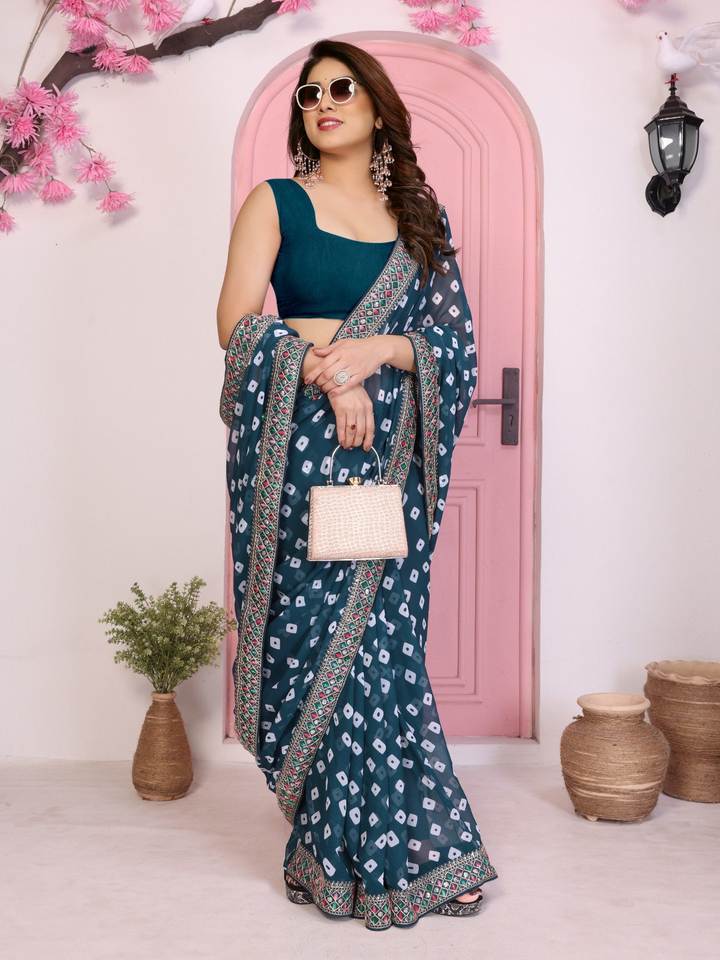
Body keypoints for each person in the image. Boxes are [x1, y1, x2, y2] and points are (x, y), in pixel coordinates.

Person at [216, 38, 498, 931]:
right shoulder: (277, 201)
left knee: (380, 649)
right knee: (314, 644)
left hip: (386, 459)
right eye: (309, 94)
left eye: (342, 89)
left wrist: (380, 349)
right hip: (297, 453)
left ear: (376, 108)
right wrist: (327, 374)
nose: (325, 103)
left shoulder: (418, 220)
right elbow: (235, 325)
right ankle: (328, 849)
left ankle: (418, 851)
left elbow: (454, 346)